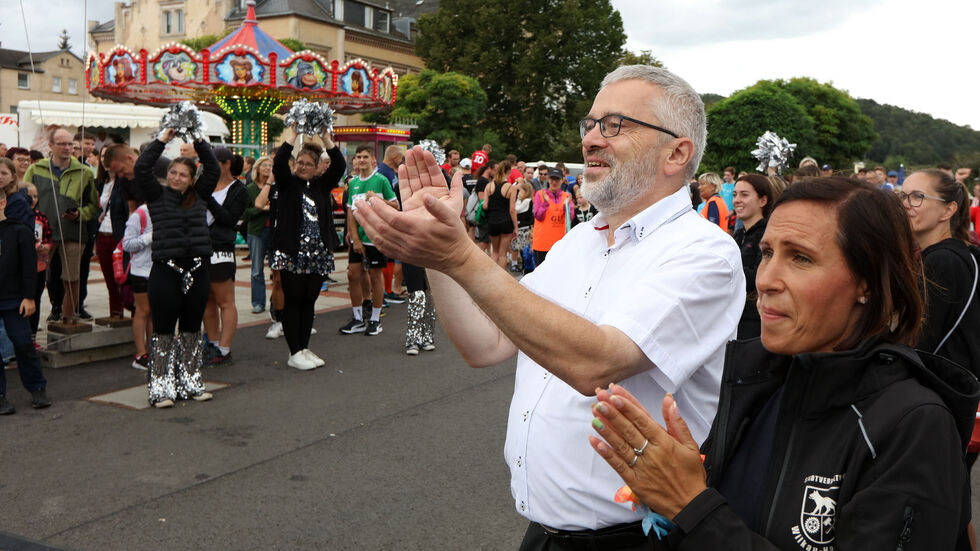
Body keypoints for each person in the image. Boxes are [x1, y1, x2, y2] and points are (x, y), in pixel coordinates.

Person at [352, 64, 744, 549]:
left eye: (615, 124)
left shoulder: (705, 252)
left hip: (633, 539)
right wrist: (438, 251)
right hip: (544, 534)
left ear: (677, 152)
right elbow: (487, 343)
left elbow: (597, 361)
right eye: (591, 124)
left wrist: (459, 253)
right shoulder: (580, 240)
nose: (592, 140)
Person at [588, 177, 978, 551]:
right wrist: (671, 496)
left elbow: (709, 521)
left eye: (801, 258)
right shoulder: (757, 380)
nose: (765, 279)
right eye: (769, 253)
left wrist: (692, 506)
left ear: (868, 283)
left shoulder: (914, 424)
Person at [131, 128, 217, 408]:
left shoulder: (201, 196)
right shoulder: (156, 195)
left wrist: (199, 139)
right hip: (165, 270)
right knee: (164, 330)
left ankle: (191, 383)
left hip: (198, 270)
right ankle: (160, 388)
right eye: (173, 172)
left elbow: (213, 168)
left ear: (192, 179)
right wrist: (163, 139)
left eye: (182, 174)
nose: (176, 177)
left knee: (192, 328)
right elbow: (142, 166)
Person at [271, 127, 344, 369]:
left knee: (309, 301)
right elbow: (280, 162)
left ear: (315, 167)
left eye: (308, 164)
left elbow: (339, 165)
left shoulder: (321, 187)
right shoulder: (287, 184)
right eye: (300, 163)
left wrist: (325, 136)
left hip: (318, 254)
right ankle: (294, 352)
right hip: (293, 254)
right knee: (293, 300)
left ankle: (304, 347)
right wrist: (292, 134)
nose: (303, 167)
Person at [24, 128, 98, 325]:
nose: (67, 148)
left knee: (72, 279)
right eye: (62, 144)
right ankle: (29, 326)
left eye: (70, 144)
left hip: (73, 233)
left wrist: (79, 214)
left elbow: (93, 206)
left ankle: (69, 320)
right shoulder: (36, 169)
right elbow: (23, 201)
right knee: (36, 278)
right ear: (50, 145)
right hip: (42, 235)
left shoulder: (84, 172)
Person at [0, 188, 50, 414]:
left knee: (23, 344)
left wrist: (29, 297)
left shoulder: (20, 230)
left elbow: (30, 268)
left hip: (14, 299)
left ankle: (37, 387)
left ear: (3, 203)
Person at [340, 145, 397, 337]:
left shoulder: (380, 181)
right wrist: (354, 236)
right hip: (359, 239)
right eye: (358, 157)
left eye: (365, 157)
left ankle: (375, 319)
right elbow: (350, 211)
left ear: (373, 160)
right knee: (352, 275)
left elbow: (396, 206)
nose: (361, 160)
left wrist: (377, 200)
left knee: (375, 276)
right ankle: (357, 318)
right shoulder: (353, 182)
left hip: (376, 238)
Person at [202, 149, 248, 365]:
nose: (205, 167)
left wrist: (208, 199)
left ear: (226, 164)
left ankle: (225, 347)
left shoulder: (239, 189)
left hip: (221, 248)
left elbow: (229, 219)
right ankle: (210, 343)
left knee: (225, 301)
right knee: (206, 301)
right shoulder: (204, 183)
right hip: (200, 247)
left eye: (212, 163)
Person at [731, 174, 775, 339]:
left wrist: (727, 269)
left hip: (755, 321)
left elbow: (761, 275)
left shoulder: (767, 234)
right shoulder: (739, 234)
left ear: (762, 201)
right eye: (735, 195)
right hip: (735, 316)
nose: (737, 200)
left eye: (744, 195)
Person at [121, 200, 152, 370]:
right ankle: (140, 354)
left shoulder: (167, 210)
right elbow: (127, 244)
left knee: (154, 312)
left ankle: (152, 351)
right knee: (143, 310)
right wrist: (149, 237)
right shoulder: (139, 214)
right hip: (141, 270)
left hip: (160, 269)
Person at [22, 183, 52, 344]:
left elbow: (48, 237)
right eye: (29, 196)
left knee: (36, 299)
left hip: (39, 266)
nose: (32, 200)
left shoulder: (41, 216)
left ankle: (32, 337)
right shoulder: (16, 216)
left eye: (35, 196)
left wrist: (47, 246)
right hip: (22, 266)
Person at [244, 156, 273, 314]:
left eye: (270, 166)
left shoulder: (276, 187)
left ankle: (276, 302)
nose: (268, 168)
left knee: (277, 268)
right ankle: (258, 302)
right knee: (257, 269)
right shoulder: (250, 189)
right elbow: (245, 213)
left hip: (274, 231)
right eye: (265, 165)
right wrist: (261, 209)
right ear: (258, 168)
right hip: (257, 231)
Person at [531, 167, 572, 266]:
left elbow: (570, 217)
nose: (554, 182)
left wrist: (567, 207)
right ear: (548, 179)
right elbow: (538, 216)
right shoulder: (540, 194)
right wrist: (545, 203)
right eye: (552, 179)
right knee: (541, 275)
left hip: (559, 244)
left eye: (557, 179)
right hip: (542, 243)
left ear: (562, 180)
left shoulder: (566, 196)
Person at [484, 161, 518, 269]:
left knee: (494, 252)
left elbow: (485, 205)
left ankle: (491, 277)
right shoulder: (511, 188)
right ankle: (500, 280)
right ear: (508, 172)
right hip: (506, 222)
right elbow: (512, 210)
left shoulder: (489, 186)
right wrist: (516, 227)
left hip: (492, 221)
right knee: (503, 254)